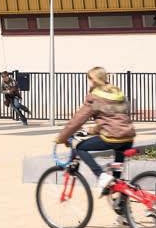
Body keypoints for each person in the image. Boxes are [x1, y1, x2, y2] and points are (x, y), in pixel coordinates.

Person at [55, 65, 136, 195]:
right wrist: (91, 131)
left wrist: (62, 137)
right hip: (128, 136)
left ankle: (102, 176)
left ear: (93, 80)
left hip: (112, 137)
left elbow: (77, 120)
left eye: (90, 79)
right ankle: (119, 195)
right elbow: (113, 118)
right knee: (117, 167)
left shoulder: (95, 97)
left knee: (79, 147)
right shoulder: (117, 93)